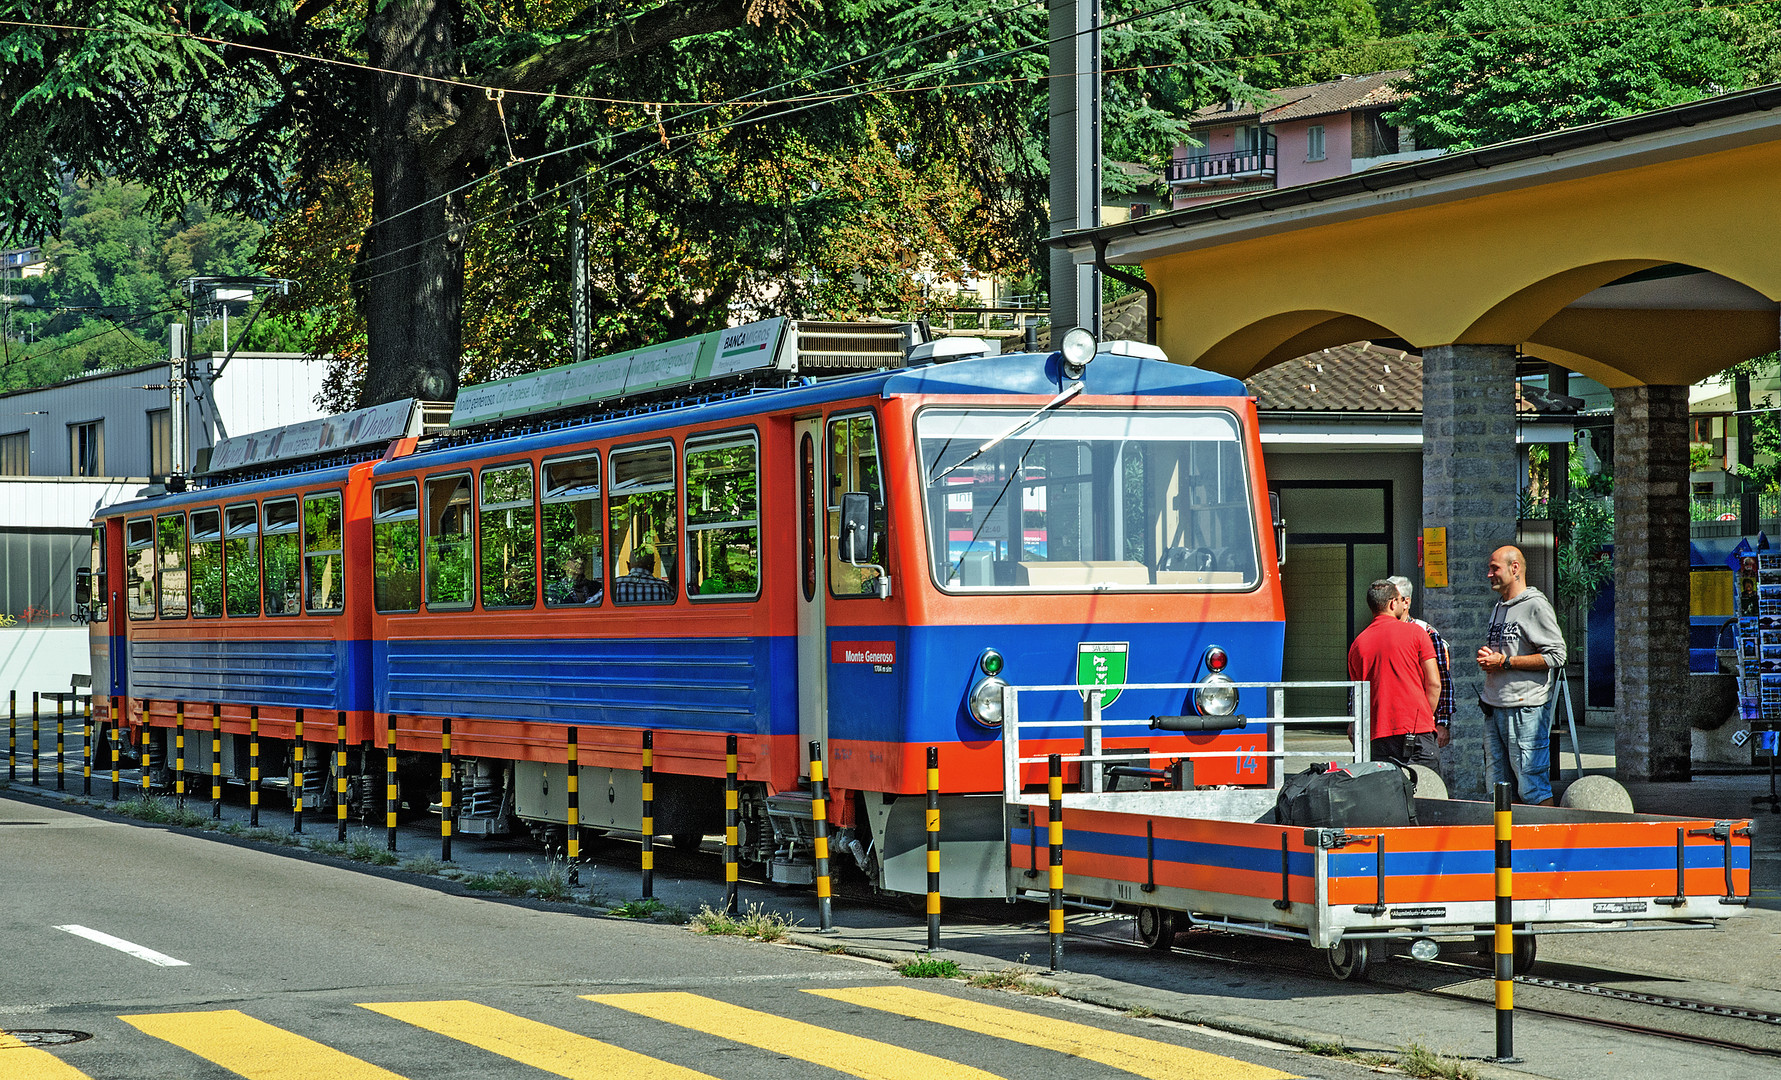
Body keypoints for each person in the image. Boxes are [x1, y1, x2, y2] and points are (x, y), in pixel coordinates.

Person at [1475, 545, 1567, 806]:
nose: (1489, 574)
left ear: (1515, 568)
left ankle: (1544, 845)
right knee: (1499, 791)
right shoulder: (1499, 606)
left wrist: (1505, 662)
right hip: (1495, 708)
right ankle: (1507, 846)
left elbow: (1557, 656)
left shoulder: (1535, 605)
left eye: (1495, 568)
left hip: (1525, 710)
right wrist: (1491, 657)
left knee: (1532, 786)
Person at [1347, 579, 1443, 769]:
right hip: (1417, 733)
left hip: (1377, 736)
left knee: (1387, 796)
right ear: (1393, 603)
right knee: (1425, 795)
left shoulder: (1358, 644)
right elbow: (1434, 684)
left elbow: (1357, 695)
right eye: (1401, 600)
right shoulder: (1417, 633)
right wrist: (1425, 715)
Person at [1388, 575, 1453, 764]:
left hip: (1420, 725)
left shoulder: (1427, 633)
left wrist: (1442, 722)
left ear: (1405, 602)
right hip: (1389, 723)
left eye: (1392, 599)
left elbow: (1442, 680)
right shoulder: (1380, 632)